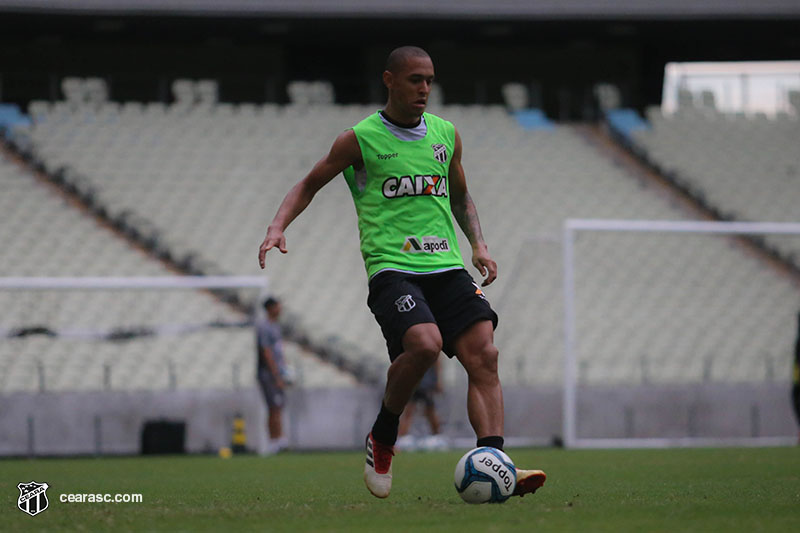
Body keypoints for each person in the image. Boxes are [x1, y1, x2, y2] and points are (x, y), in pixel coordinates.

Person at [258, 45, 546, 498]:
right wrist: (277, 226)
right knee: (426, 344)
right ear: (390, 80)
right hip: (393, 269)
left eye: (430, 79)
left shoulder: (446, 135)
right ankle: (384, 435)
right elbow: (309, 183)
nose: (425, 89)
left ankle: (496, 462)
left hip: (446, 266)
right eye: (415, 79)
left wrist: (479, 245)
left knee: (484, 355)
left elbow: (459, 196)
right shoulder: (361, 138)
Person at [255, 296, 289, 454]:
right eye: (277, 306)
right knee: (273, 407)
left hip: (277, 373)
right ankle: (274, 441)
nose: (280, 309)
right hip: (268, 374)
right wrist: (276, 374)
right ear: (270, 308)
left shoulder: (276, 326)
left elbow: (278, 351)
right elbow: (266, 352)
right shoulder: (264, 327)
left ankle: (279, 439)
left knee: (278, 406)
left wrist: (284, 370)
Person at [396, 360, 446, 451]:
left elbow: (437, 361)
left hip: (426, 381)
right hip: (412, 379)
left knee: (430, 410)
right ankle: (401, 438)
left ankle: (437, 436)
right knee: (408, 410)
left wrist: (438, 380)